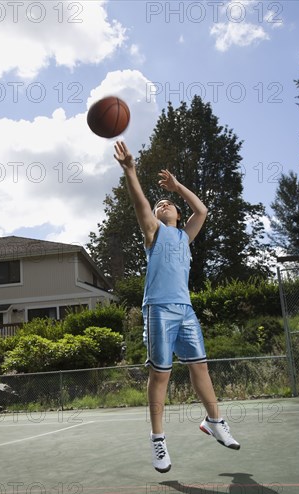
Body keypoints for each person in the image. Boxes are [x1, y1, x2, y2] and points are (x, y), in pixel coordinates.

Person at [114, 141, 240, 473]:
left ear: (177, 213)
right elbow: (140, 202)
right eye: (160, 204)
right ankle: (158, 440)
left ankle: (214, 421)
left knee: (200, 367)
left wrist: (177, 186)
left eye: (168, 203)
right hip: (158, 309)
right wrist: (130, 170)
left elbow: (203, 211)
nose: (163, 203)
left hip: (185, 310)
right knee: (161, 374)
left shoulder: (184, 236)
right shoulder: (154, 233)